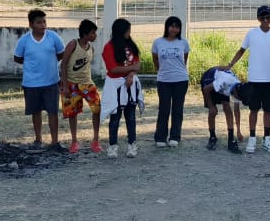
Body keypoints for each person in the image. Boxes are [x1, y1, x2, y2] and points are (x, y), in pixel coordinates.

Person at [224, 6, 270, 153]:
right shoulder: (252, 34)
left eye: (268, 17)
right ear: (258, 18)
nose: (265, 20)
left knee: (268, 110)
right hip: (255, 79)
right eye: (262, 17)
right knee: (254, 109)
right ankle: (252, 138)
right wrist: (230, 65)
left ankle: (267, 138)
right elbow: (241, 50)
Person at [12, 8, 66, 150]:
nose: (43, 25)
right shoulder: (24, 40)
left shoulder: (53, 37)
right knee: (36, 112)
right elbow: (17, 58)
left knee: (53, 112)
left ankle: (55, 141)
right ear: (31, 24)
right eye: (39, 22)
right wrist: (33, 65)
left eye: (44, 21)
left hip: (51, 81)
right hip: (31, 83)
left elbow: (61, 54)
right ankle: (38, 138)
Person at [59, 19, 102, 153]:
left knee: (97, 109)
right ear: (85, 34)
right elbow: (63, 64)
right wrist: (65, 85)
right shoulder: (73, 44)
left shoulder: (91, 48)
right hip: (71, 84)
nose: (95, 35)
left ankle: (95, 140)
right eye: (93, 32)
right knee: (72, 113)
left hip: (87, 84)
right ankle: (74, 141)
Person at [101, 18, 142, 158]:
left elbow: (137, 64)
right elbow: (113, 68)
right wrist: (131, 69)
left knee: (130, 116)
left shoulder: (131, 45)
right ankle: (113, 146)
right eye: (128, 30)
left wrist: (130, 75)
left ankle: (132, 144)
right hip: (115, 85)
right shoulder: (109, 47)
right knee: (115, 117)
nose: (130, 33)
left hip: (130, 84)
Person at [151, 16, 191, 148]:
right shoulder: (158, 42)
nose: (174, 29)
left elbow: (184, 59)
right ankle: (160, 137)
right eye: (172, 26)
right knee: (164, 109)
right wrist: (161, 70)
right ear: (167, 27)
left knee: (177, 109)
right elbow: (155, 59)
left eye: (177, 27)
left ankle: (175, 136)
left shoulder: (183, 43)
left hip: (181, 80)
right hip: (164, 80)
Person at [201, 64, 248, 152]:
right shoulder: (224, 82)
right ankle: (212, 137)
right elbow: (206, 89)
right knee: (213, 112)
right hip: (209, 78)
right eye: (238, 98)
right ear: (235, 93)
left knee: (227, 106)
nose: (238, 99)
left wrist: (238, 131)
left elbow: (236, 111)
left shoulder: (238, 87)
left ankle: (231, 139)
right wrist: (211, 106)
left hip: (223, 80)